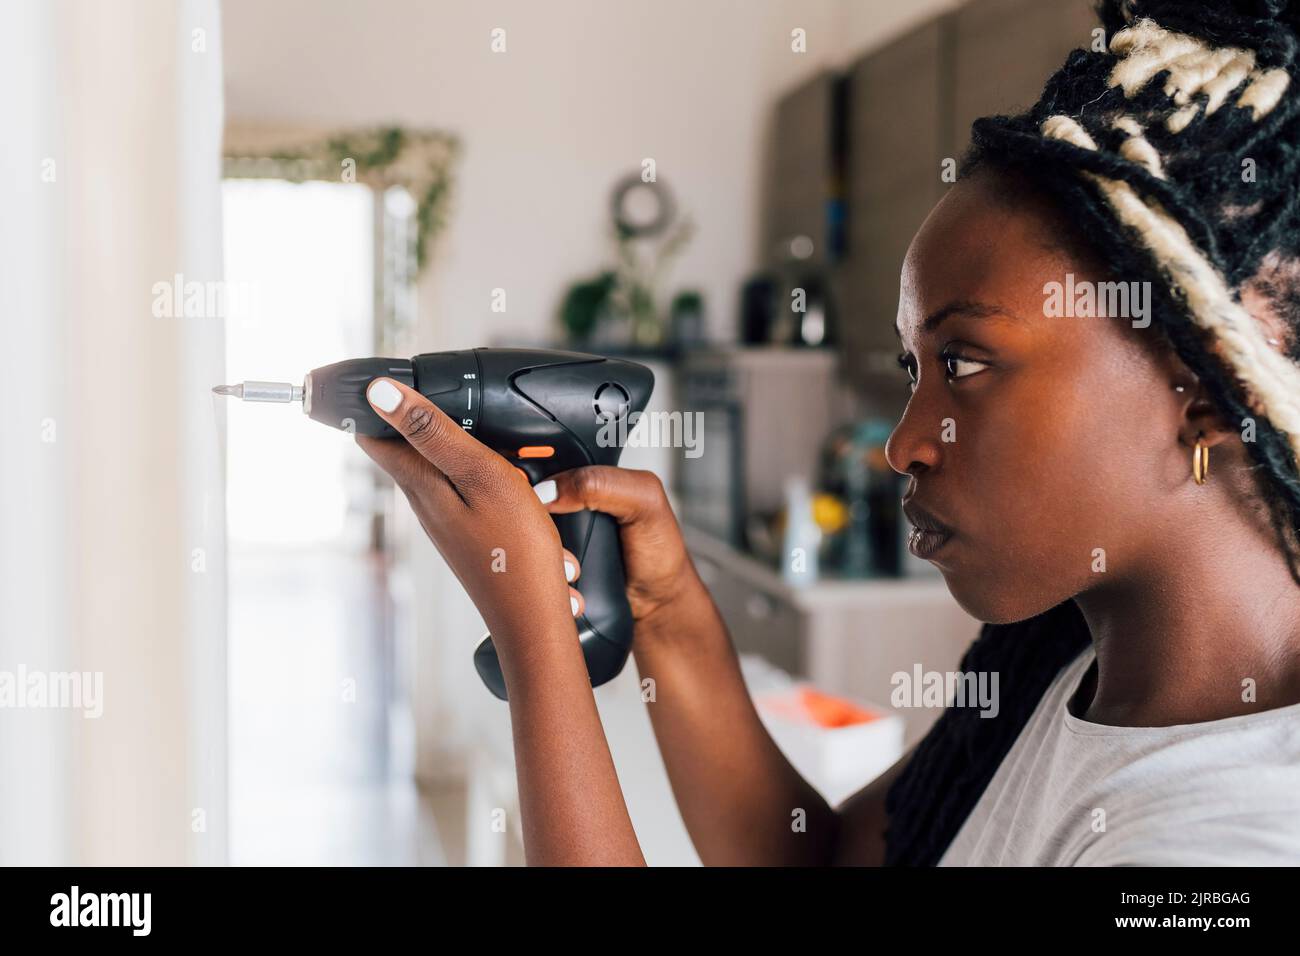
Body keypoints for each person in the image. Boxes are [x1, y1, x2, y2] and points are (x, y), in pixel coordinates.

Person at [356, 0, 1300, 866]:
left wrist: (538, 648)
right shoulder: (1063, 663)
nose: (902, 444)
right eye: (910, 370)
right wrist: (670, 609)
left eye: (965, 364)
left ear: (1204, 392)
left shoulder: (1227, 842)